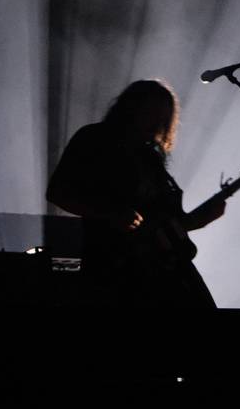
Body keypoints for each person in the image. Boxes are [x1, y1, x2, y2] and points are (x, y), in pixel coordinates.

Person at [47, 78, 226, 308]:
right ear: (131, 108)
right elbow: (57, 192)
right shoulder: (94, 138)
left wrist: (200, 220)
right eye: (152, 112)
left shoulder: (151, 158)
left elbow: (168, 223)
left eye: (163, 117)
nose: (157, 122)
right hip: (114, 269)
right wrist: (110, 213)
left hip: (168, 272)